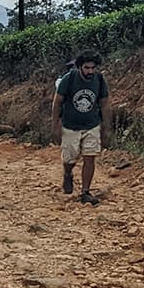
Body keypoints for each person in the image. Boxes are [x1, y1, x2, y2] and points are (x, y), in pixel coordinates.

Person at [53, 50, 109, 205]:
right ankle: (68, 173)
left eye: (93, 68)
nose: (90, 71)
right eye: (86, 68)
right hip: (70, 125)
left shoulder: (99, 80)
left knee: (90, 157)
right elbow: (57, 102)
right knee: (70, 158)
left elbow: (104, 103)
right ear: (79, 67)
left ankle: (85, 192)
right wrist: (55, 125)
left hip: (92, 124)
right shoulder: (69, 79)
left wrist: (106, 126)